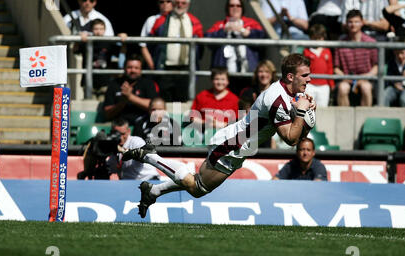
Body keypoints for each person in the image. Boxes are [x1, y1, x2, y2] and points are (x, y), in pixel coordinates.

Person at [118, 53, 316, 218]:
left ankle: (153, 191)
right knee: (197, 187)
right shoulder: (277, 99)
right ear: (290, 76)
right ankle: (149, 156)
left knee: (199, 186)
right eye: (305, 75)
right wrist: (301, 113)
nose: (309, 79)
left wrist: (306, 116)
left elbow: (298, 134)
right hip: (232, 144)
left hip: (239, 146)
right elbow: (290, 139)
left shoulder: (287, 95)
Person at [148, 0, 204, 102]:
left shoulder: (194, 21)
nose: (180, 5)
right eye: (177, 2)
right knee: (165, 102)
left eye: (183, 3)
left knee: (182, 102)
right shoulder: (161, 20)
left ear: (188, 4)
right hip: (166, 69)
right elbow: (151, 43)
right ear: (173, 3)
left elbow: (200, 46)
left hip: (186, 69)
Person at [205, 0, 265, 74]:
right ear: (227, 8)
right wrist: (223, 32)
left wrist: (248, 33)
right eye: (232, 5)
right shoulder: (220, 25)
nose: (235, 8)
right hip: (224, 74)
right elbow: (208, 40)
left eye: (238, 5)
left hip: (248, 72)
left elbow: (263, 39)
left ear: (242, 8)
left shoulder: (252, 23)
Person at [334, 9, 378, 107]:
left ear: (362, 23)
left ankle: (366, 119)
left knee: (365, 87)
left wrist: (364, 77)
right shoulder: (340, 43)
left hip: (366, 78)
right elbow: (336, 68)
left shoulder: (371, 42)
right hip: (346, 79)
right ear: (346, 24)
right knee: (342, 87)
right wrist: (346, 78)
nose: (353, 25)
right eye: (350, 22)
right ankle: (344, 119)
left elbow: (376, 67)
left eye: (356, 22)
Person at [103, 54, 159, 127]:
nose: (133, 70)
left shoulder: (148, 84)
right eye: (129, 67)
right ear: (124, 68)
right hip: (119, 125)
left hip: (143, 124)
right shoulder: (114, 84)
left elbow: (155, 107)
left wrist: (130, 97)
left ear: (141, 70)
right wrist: (122, 102)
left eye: (136, 68)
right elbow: (107, 114)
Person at [74, 19, 128, 93]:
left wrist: (123, 40)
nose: (98, 31)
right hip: (88, 81)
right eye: (96, 29)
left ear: (105, 30)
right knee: (89, 104)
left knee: (103, 104)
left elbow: (122, 52)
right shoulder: (86, 41)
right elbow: (75, 51)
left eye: (101, 29)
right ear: (91, 30)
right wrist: (78, 39)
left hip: (105, 82)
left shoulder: (108, 42)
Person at [189, 67, 239, 132]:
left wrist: (222, 125)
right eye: (216, 79)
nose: (220, 82)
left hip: (226, 133)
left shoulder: (234, 99)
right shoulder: (202, 96)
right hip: (202, 131)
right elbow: (192, 117)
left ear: (228, 81)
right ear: (212, 80)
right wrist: (205, 123)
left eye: (223, 79)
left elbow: (239, 122)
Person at [303, 24, 334, 107]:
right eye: (314, 38)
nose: (317, 41)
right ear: (311, 38)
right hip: (310, 84)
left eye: (319, 38)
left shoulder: (327, 51)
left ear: (323, 37)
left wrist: (331, 83)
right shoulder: (306, 51)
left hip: (324, 85)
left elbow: (330, 68)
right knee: (308, 108)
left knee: (322, 108)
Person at [140, 0, 174, 70]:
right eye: (162, 2)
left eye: (168, 1)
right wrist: (151, 64)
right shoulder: (151, 20)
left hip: (174, 65)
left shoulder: (181, 20)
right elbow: (143, 45)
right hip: (156, 62)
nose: (165, 4)